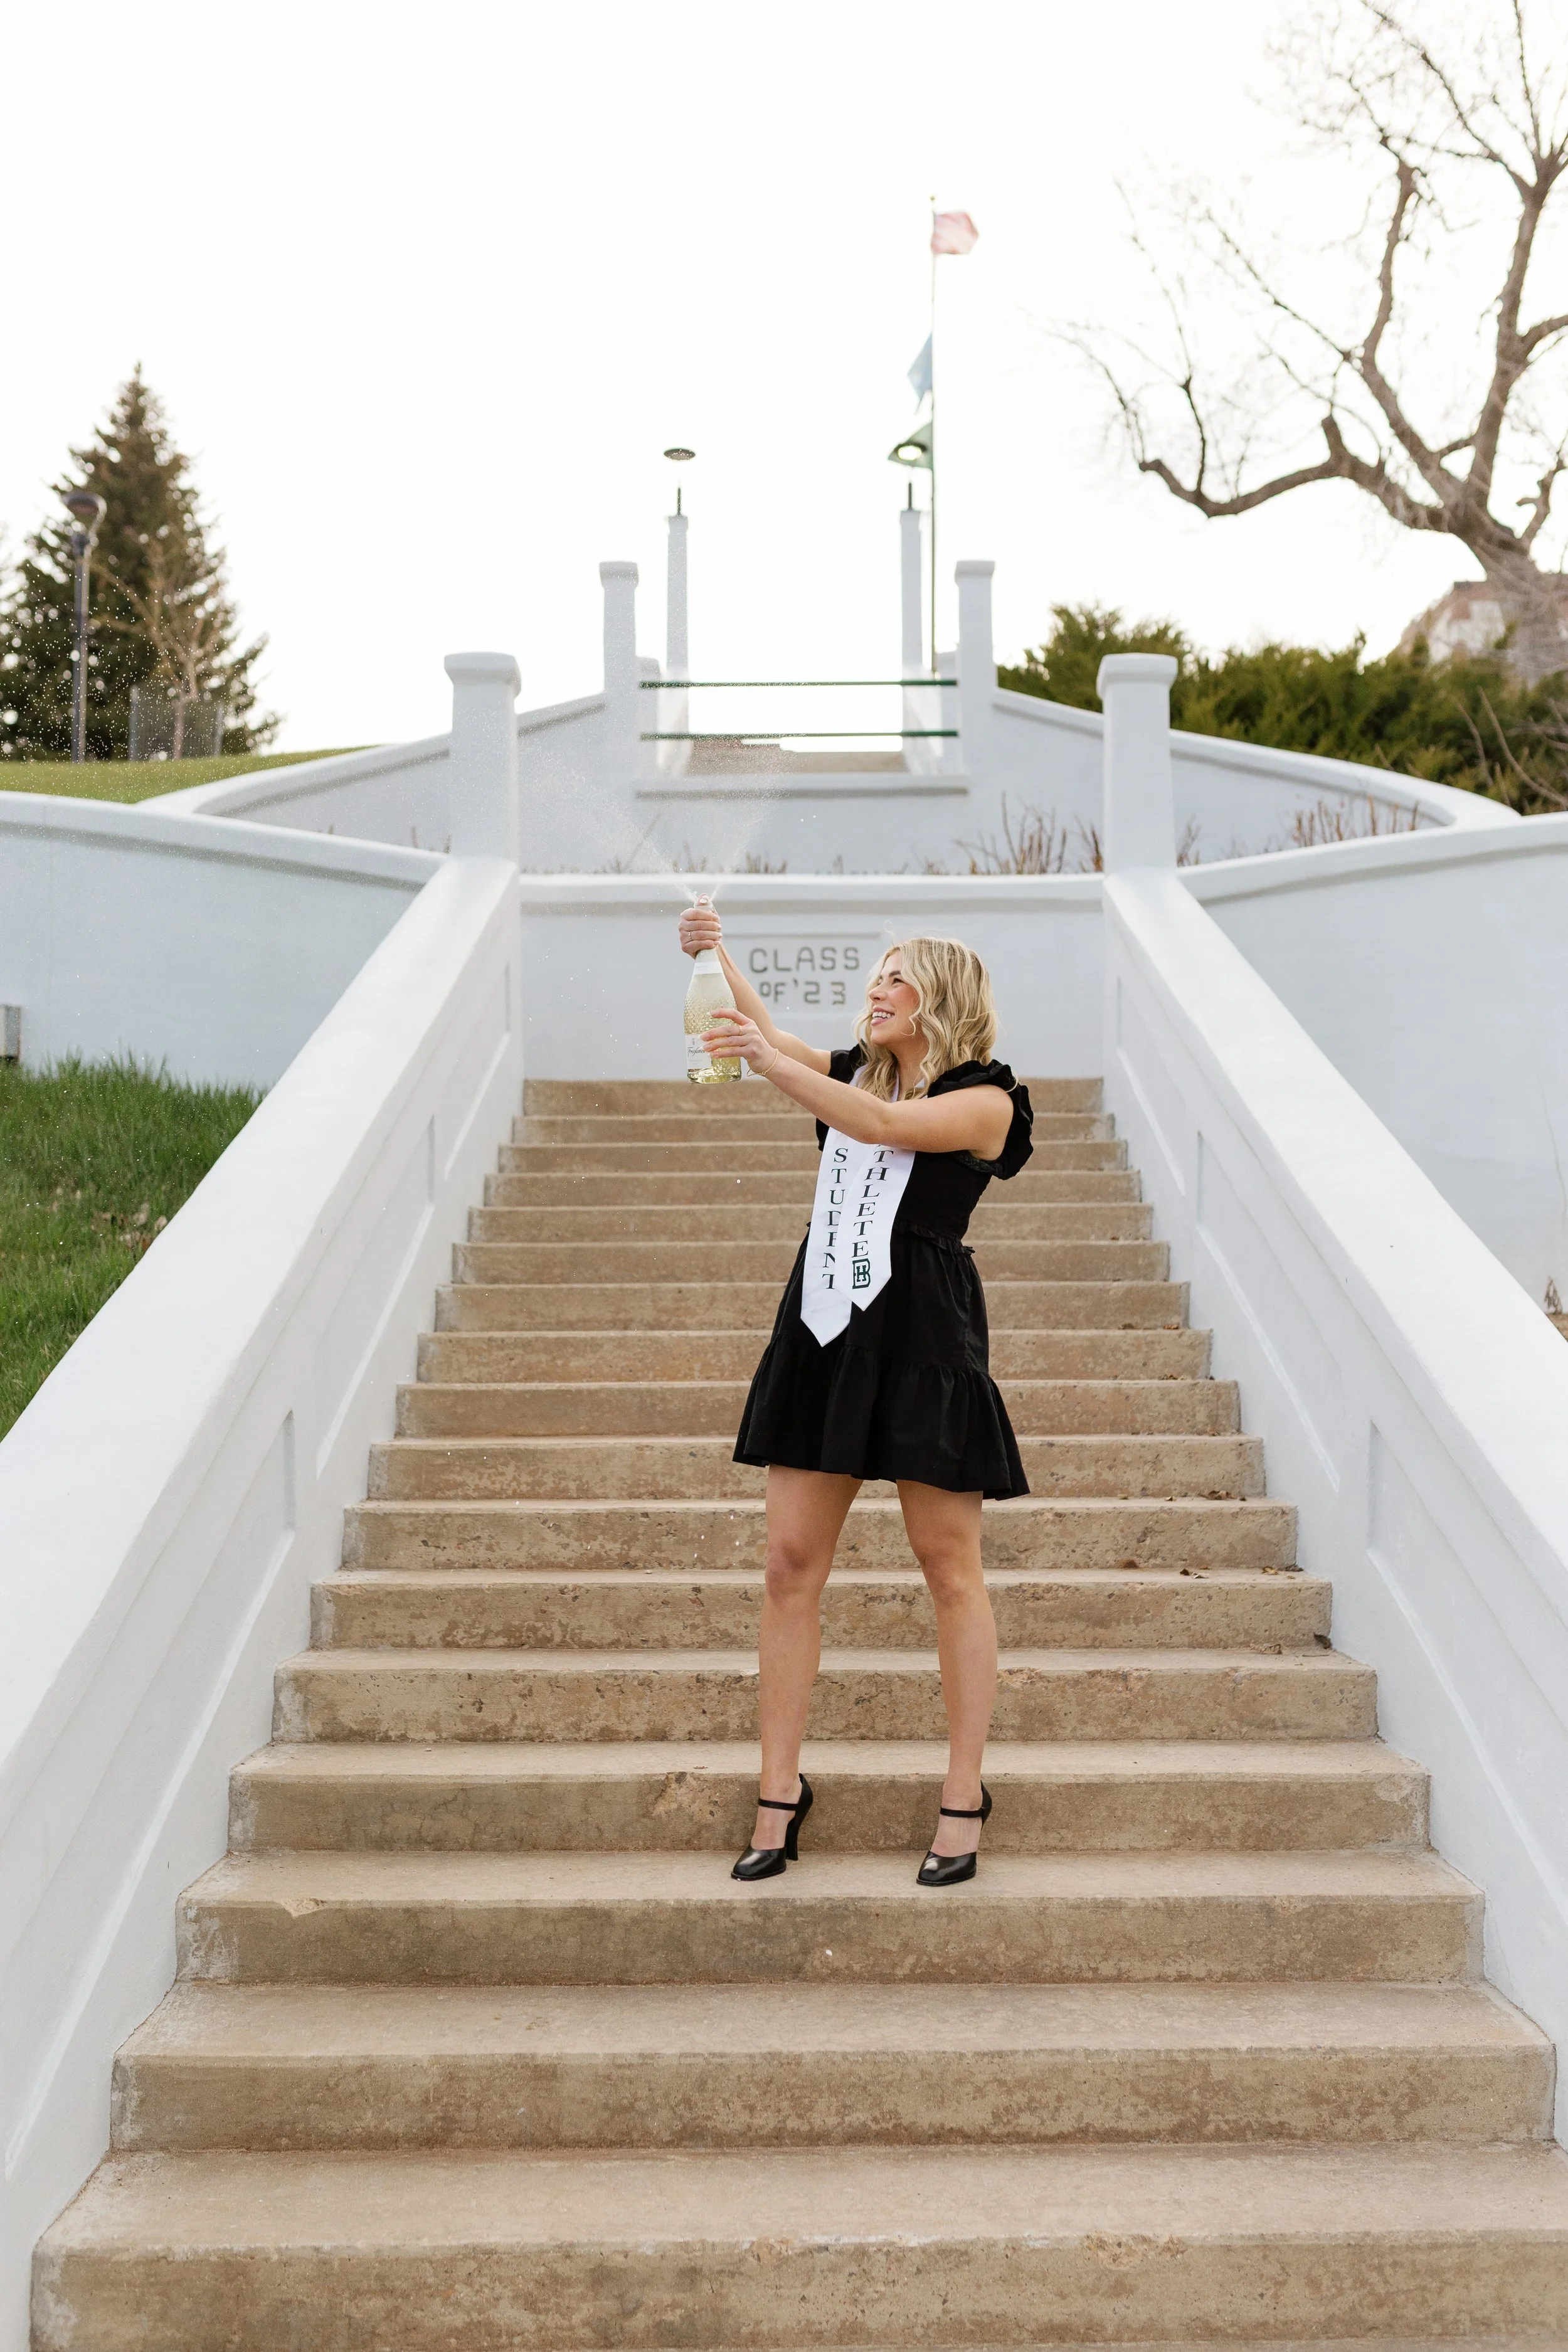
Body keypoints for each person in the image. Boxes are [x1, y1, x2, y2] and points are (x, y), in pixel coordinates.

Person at [678, 903, 1034, 1888]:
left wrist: (764, 1058)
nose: (876, 990)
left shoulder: (989, 1099)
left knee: (946, 1562)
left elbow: (880, 1126)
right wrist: (719, 959)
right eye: (874, 976)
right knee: (790, 1562)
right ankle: (780, 1789)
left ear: (943, 997)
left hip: (923, 1335)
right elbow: (785, 1049)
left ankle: (964, 1791)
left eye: (895, 977)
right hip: (827, 1326)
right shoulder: (856, 1071)